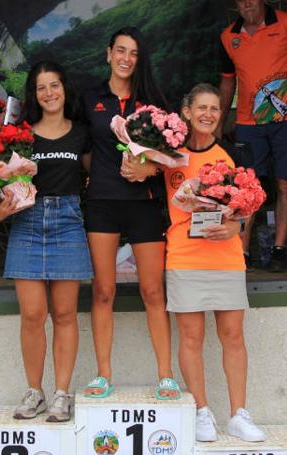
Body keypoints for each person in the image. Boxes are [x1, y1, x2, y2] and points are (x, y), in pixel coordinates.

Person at [79, 26, 180, 400]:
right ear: (108, 54)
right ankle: (103, 375)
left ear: (140, 59)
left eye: (133, 53)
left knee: (153, 290)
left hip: (145, 204)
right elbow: (83, 148)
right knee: (103, 291)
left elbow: (172, 154)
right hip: (102, 203)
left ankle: (166, 375)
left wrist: (149, 170)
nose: (126, 58)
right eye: (120, 51)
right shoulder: (91, 98)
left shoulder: (152, 101)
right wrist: (98, 176)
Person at [0, 61, 92, 422]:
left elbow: (97, 177)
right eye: (41, 87)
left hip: (68, 220)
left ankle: (63, 394)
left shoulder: (82, 133)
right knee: (33, 315)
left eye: (55, 85)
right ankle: (35, 391)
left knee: (64, 314)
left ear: (65, 88)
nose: (49, 93)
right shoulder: (19, 136)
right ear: (33, 95)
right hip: (28, 223)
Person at [164, 83, 266, 442]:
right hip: (184, 256)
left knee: (233, 336)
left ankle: (239, 414)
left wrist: (236, 226)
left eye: (215, 109)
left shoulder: (231, 154)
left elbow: (247, 206)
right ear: (187, 112)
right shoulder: (168, 156)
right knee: (191, 337)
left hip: (225, 258)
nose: (208, 114)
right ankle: (201, 412)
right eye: (201, 108)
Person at [218, 0, 287, 272]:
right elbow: (228, 81)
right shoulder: (228, 36)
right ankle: (242, 252)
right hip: (248, 124)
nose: (247, 3)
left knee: (285, 184)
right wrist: (219, 120)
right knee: (248, 188)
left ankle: (279, 248)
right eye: (241, 0)